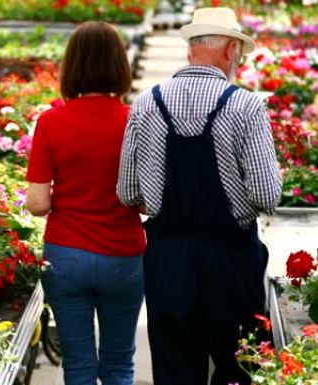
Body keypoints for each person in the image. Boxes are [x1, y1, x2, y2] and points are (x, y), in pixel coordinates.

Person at [117, 7, 282, 385]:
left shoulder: (145, 104)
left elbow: (127, 191)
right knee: (239, 368)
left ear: (192, 47)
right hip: (231, 262)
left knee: (175, 370)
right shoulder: (246, 106)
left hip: (168, 261)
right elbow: (267, 195)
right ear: (229, 50)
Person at [26, 22, 146, 385]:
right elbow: (148, 196)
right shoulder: (135, 120)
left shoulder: (51, 122)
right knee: (120, 364)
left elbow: (36, 203)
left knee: (77, 364)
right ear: (119, 65)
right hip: (123, 254)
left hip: (66, 254)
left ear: (71, 66)